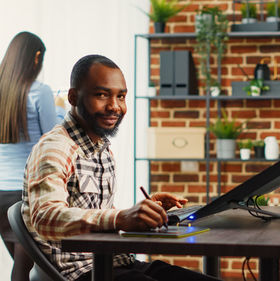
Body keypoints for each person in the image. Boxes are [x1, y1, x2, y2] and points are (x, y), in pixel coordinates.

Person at [21, 54, 220, 281]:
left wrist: (141, 212)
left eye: (121, 96)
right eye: (102, 95)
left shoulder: (101, 148)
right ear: (74, 97)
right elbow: (45, 217)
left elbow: (95, 212)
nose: (114, 106)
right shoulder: (56, 148)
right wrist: (120, 218)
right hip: (83, 272)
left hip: (117, 262)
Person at [0, 31, 65, 281]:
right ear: (37, 57)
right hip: (25, 194)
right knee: (23, 268)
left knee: (22, 264)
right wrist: (60, 107)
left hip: (1, 195)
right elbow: (51, 139)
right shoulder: (39, 91)